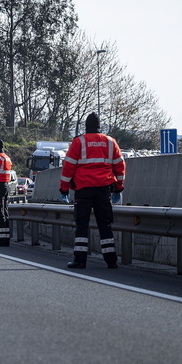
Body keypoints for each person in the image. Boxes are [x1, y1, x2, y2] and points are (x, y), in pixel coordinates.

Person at [59, 113, 125, 269]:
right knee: (105, 224)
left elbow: (68, 167)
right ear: (99, 126)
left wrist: (64, 189)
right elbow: (120, 166)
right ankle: (111, 261)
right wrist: (119, 187)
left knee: (82, 224)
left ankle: (80, 260)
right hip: (104, 189)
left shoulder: (79, 142)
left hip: (83, 188)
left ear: (85, 126)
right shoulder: (110, 142)